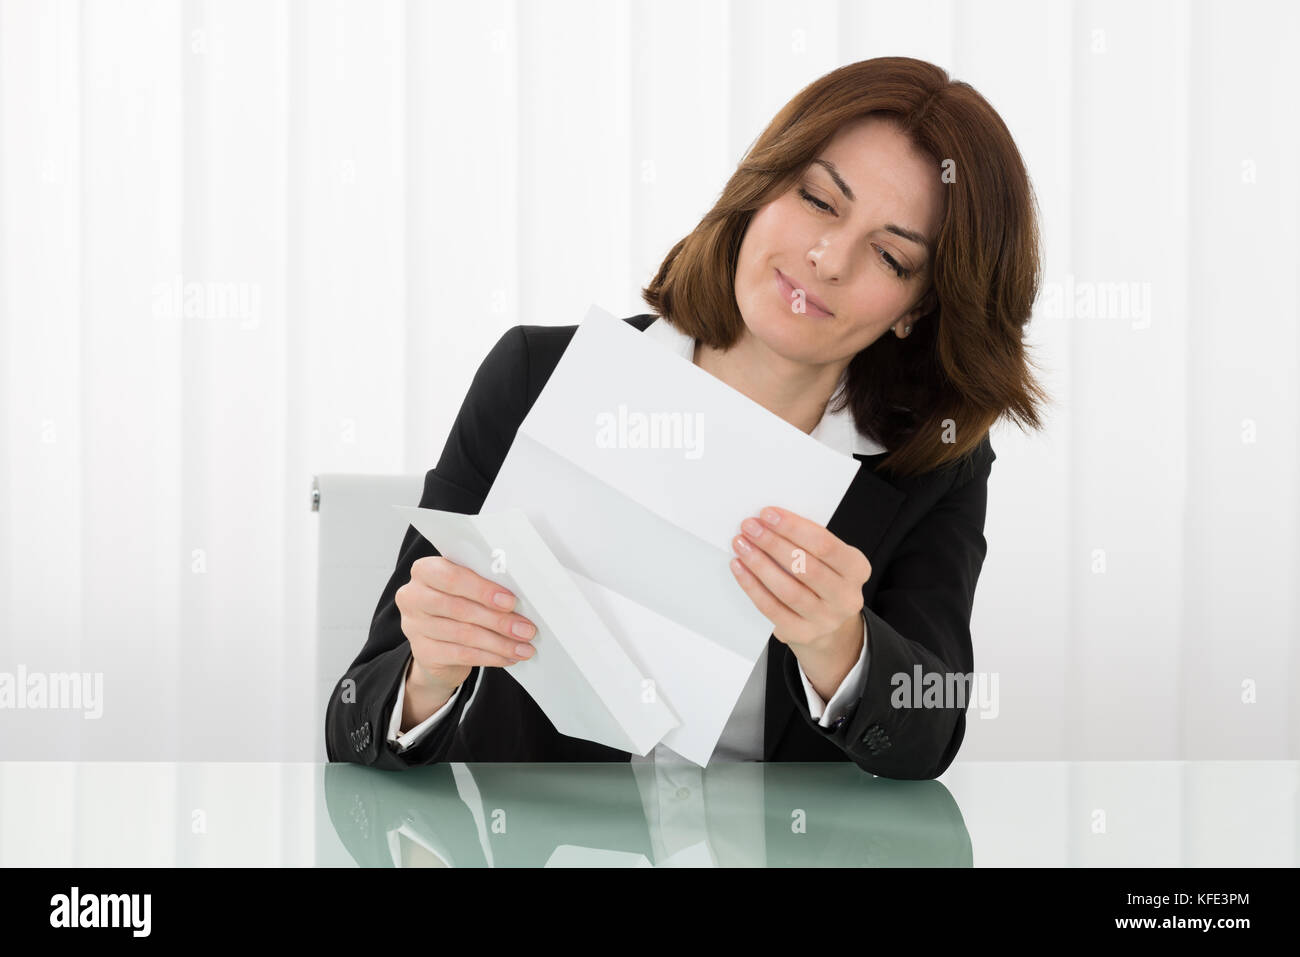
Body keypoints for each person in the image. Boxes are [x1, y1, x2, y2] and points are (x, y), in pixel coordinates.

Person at [326, 56, 1048, 778]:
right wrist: (429, 676)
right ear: (761, 188)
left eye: (890, 256)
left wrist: (840, 646)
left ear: (915, 310)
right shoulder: (535, 379)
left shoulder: (934, 462)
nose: (828, 259)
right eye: (819, 201)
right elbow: (353, 722)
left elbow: (931, 730)